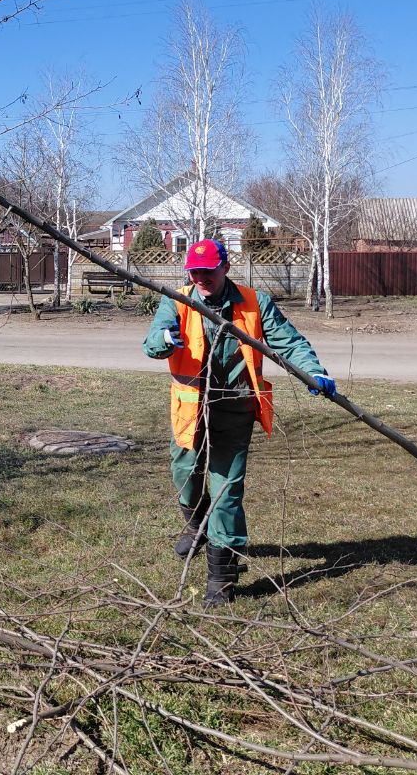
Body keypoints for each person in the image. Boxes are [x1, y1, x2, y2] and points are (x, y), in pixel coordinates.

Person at [142, 239, 336, 606]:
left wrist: (313, 372)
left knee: (226, 490)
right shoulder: (178, 299)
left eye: (208, 271)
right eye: (194, 271)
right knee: (185, 474)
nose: (200, 277)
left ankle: (222, 578)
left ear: (225, 267)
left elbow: (289, 343)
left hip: (236, 407)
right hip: (190, 407)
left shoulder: (255, 302)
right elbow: (153, 340)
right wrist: (165, 340)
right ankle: (196, 524)